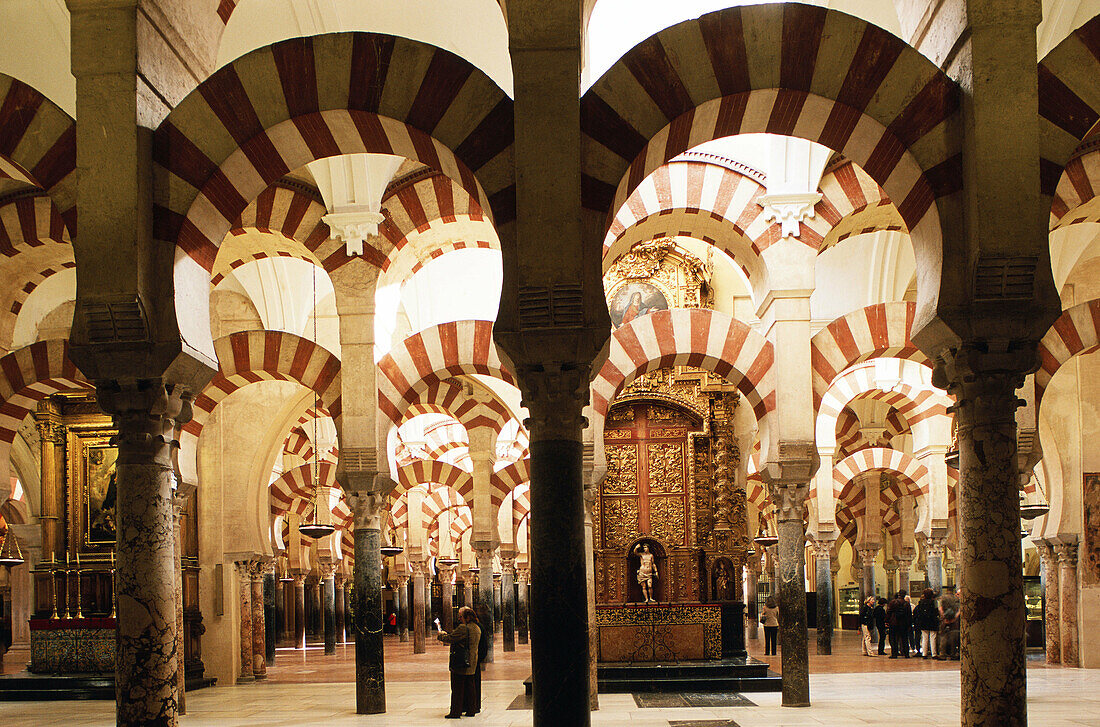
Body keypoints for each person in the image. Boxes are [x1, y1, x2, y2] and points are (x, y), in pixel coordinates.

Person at [438, 606, 481, 718]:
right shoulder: (477, 628)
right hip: (472, 661)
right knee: (470, 687)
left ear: (467, 617)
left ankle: (455, 712)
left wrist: (441, 635)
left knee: (457, 687)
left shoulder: (464, 628)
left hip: (462, 662)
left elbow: (451, 638)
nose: (459, 619)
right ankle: (471, 710)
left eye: (461, 617)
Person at [913, 588, 940, 659]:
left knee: (924, 638)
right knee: (933, 637)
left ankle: (924, 653)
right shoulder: (934, 602)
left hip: (923, 621)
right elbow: (936, 611)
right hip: (932, 621)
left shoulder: (921, 602)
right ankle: (934, 654)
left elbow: (919, 612)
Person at [887, 590, 912, 658]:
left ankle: (894, 654)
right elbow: (909, 615)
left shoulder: (893, 602)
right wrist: (909, 624)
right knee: (904, 639)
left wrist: (887, 621)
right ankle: (906, 653)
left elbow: (888, 612)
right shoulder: (906, 604)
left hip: (894, 623)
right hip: (903, 623)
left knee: (894, 639)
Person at [937, 588, 960, 660]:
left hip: (945, 620)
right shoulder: (956, 599)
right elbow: (959, 609)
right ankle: (953, 654)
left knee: (943, 637)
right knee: (953, 637)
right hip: (954, 621)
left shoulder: (943, 598)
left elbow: (940, 609)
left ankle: (943, 654)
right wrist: (955, 618)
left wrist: (944, 618)